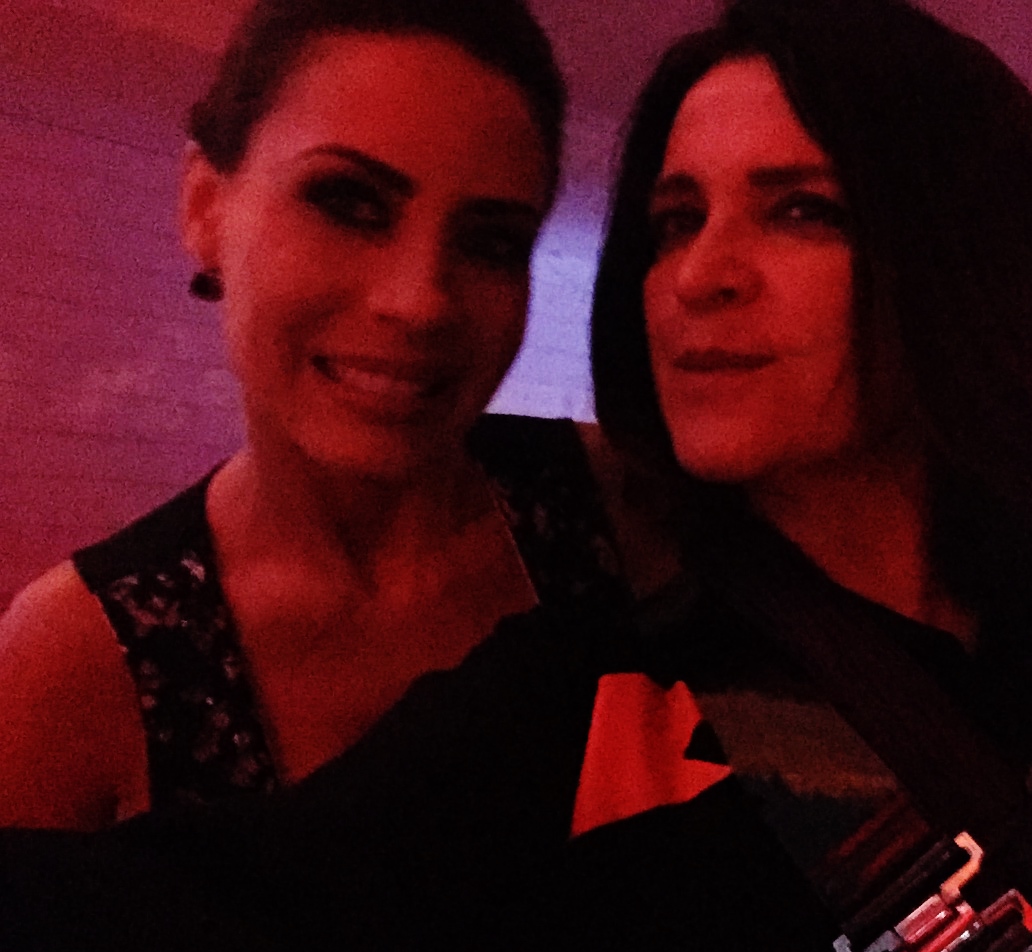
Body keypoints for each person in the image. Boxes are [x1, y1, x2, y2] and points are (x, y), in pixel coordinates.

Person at [542, 0, 1032, 952]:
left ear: (970, 260)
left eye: (802, 210)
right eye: (675, 222)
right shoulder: (574, 705)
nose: (698, 275)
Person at [0, 0, 640, 833]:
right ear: (205, 207)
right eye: (348, 202)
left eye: (490, 241)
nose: (420, 302)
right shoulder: (78, 661)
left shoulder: (618, 507)